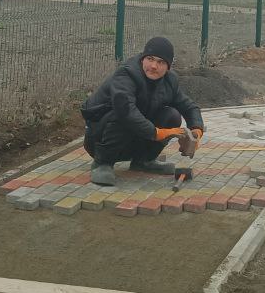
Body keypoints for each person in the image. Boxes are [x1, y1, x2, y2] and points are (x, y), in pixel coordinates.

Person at [81, 36, 205, 186]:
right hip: (99, 138)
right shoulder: (126, 74)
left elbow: (189, 106)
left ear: (168, 66)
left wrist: (197, 130)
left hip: (132, 138)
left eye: (161, 62)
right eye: (150, 59)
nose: (153, 66)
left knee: (171, 116)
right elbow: (126, 111)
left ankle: (144, 161)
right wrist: (157, 133)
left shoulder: (169, 81)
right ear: (142, 59)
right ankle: (102, 164)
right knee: (123, 113)